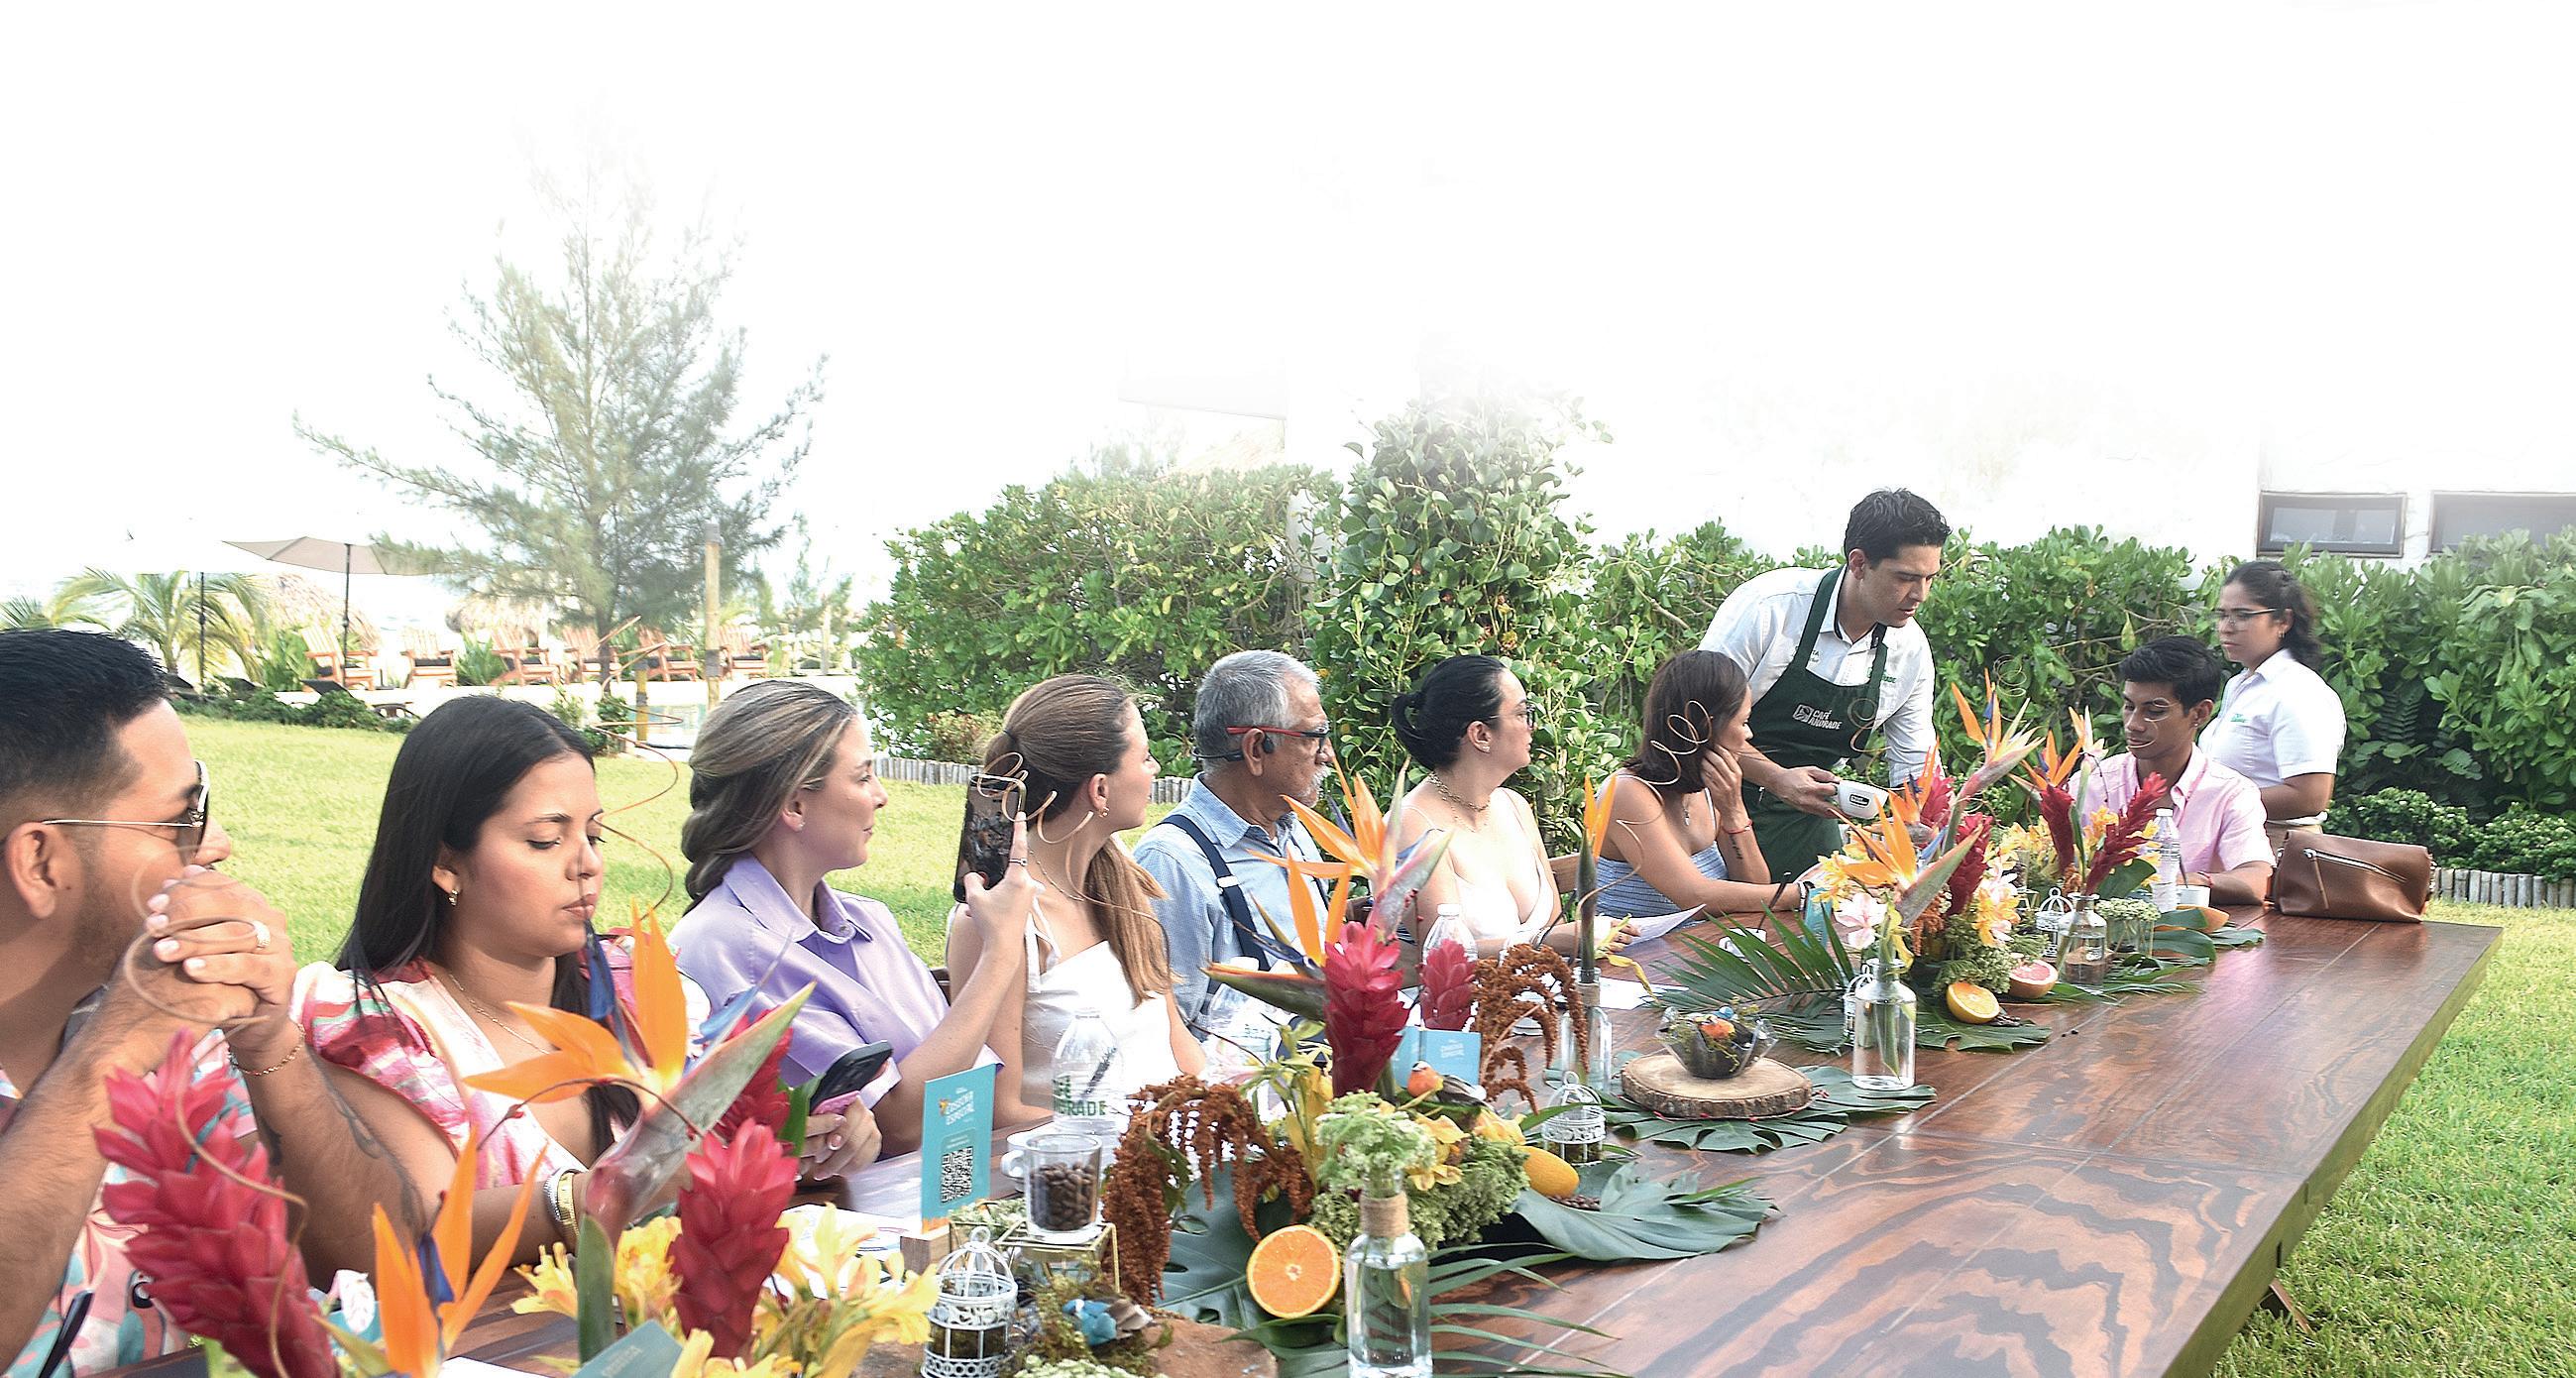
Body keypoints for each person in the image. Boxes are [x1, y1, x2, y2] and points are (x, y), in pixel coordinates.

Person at [0, 630, 413, 1374]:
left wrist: (268, 1041)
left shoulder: (177, 1027)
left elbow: (381, 1263)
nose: (215, 843)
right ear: (40, 860)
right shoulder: (136, 1021)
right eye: (180, 819)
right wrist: (107, 1058)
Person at [292, 697, 760, 1263]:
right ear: (446, 863)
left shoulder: (633, 988)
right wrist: (602, 1194)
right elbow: (426, 1225)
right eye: (545, 840)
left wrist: (789, 1143)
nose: (586, 864)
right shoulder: (382, 1028)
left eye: (594, 835)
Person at [674, 680, 1034, 1157]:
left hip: (948, 1192)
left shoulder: (870, 921)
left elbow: (966, 1094)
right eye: (863, 778)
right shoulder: (728, 948)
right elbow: (904, 1125)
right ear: (794, 805)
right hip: (863, 1205)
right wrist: (1001, 949)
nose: (881, 796)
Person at [946, 675, 1204, 1115]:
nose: (1155, 768)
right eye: (1145, 757)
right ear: (1100, 789)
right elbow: (1000, 1111)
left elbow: (1176, 1043)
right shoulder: (999, 918)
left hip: (1168, 1139)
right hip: (1082, 1154)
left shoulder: (1119, 878)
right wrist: (1135, 1139)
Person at [1701, 489, 1949, 882]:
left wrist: (1924, 825)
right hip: (1710, 813)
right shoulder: (1771, 608)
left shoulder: (1909, 650)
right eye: (1905, 578)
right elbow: (1697, 721)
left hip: (1809, 823)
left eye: (1929, 578)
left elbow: (1914, 762)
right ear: (1859, 563)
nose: (1920, 595)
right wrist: (1776, 778)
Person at [1132, 651, 1335, 1042]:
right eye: (1314, 737)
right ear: (1256, 749)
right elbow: (1166, 1033)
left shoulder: (1294, 831)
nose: (1326, 754)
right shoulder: (1174, 863)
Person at [1591, 650, 1806, 920]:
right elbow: (1694, 898)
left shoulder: (1706, 790)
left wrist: (1734, 812)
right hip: (1637, 946)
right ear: (1705, 726)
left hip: (1703, 942)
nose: (1748, 734)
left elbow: (1755, 886)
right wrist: (1802, 894)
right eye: (1743, 722)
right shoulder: (1627, 793)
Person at [2083, 636, 2274, 905]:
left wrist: (2186, 882)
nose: (2133, 724)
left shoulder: (2231, 793)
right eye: (2129, 706)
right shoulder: (2096, 782)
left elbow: (2256, 880)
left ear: (2200, 713)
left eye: (2154, 711)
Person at [1390, 654, 1560, 953]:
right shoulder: (1410, 824)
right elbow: (1444, 952)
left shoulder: (1515, 807)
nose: (1532, 726)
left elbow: (1557, 925)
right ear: (1481, 734)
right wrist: (1542, 942)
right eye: (1522, 714)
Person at [2200, 559, 2346, 852]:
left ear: (2283, 621)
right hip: (2229, 840)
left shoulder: (2299, 691)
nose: (2226, 628)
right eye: (2222, 615)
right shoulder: (2241, 684)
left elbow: (2310, 796)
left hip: (2277, 849)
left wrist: (2211, 802)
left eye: (2242, 615)